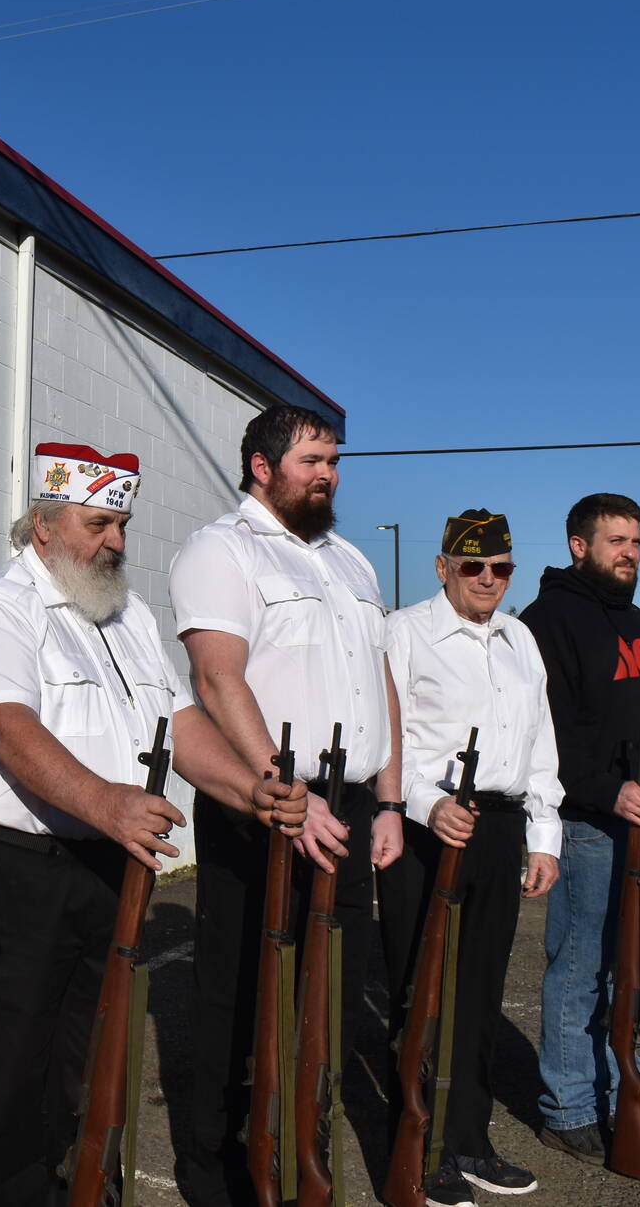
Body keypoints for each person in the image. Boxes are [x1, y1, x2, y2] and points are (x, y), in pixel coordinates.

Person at [0, 442, 306, 1207]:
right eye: (99, 523)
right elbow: (9, 728)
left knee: (92, 1060)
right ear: (42, 525)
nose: (116, 541)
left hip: (111, 866)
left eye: (122, 524)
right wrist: (108, 800)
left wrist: (251, 791)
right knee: (14, 1069)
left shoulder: (129, 615)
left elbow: (180, 722)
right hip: (23, 873)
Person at [165, 404, 405, 1207]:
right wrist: (287, 791)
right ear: (262, 466)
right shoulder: (221, 549)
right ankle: (220, 1173)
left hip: (352, 799)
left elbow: (383, 685)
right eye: (311, 460)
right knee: (237, 995)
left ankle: (302, 1149)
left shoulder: (351, 563)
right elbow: (217, 678)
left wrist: (390, 801)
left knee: (331, 998)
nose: (328, 474)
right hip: (262, 800)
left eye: (334, 460)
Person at [381, 510, 564, 1205]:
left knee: (481, 990)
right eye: (473, 566)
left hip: (497, 825)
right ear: (442, 567)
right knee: (419, 987)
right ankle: (417, 1142)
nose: (488, 579)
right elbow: (386, 735)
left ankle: (469, 1138)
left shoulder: (519, 637)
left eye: (501, 568)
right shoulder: (405, 633)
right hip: (428, 828)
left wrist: (542, 835)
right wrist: (425, 802)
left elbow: (541, 743)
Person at [517, 493, 640, 1168]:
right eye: (617, 539)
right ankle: (569, 1109)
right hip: (590, 827)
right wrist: (604, 789)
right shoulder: (547, 622)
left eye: (638, 541)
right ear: (578, 545)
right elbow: (545, 736)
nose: (630, 551)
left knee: (636, 973)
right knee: (580, 972)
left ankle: (625, 1100)